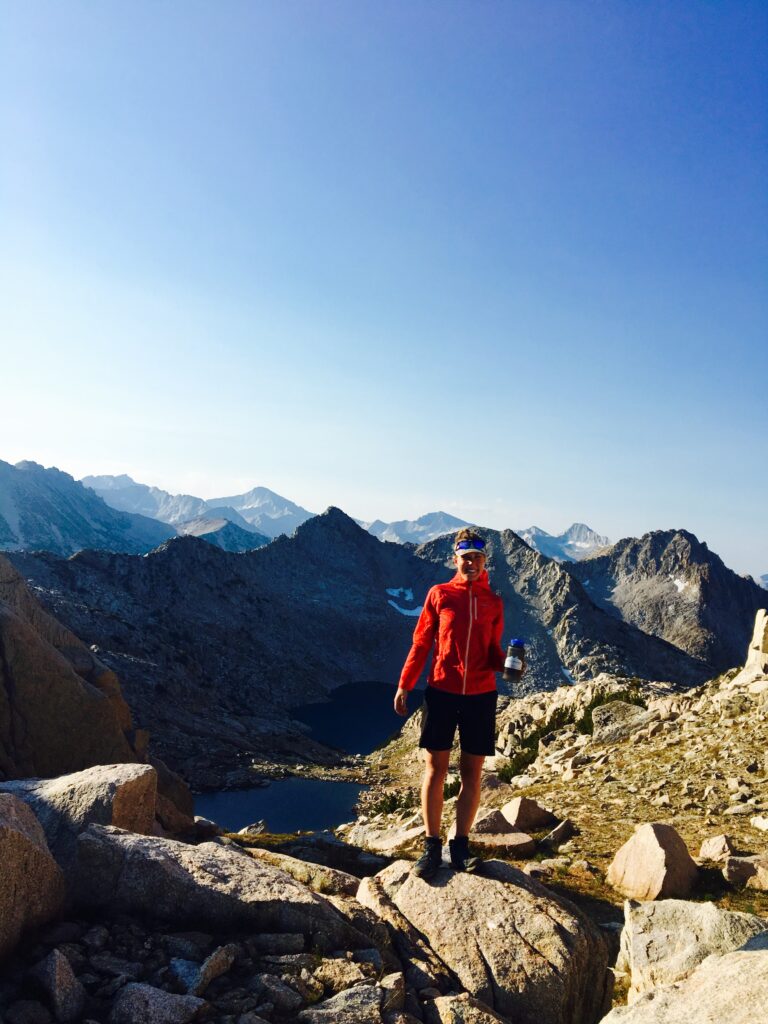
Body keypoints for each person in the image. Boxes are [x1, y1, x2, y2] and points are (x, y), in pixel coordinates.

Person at [394, 527, 521, 879]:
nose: (472, 563)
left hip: (481, 695)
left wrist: (510, 665)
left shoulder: (493, 602)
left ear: (485, 562)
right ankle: (431, 845)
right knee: (435, 771)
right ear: (456, 559)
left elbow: (494, 652)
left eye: (477, 558)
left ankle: (460, 846)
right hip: (442, 691)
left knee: (472, 774)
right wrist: (405, 684)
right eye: (466, 557)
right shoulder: (440, 594)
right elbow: (421, 643)